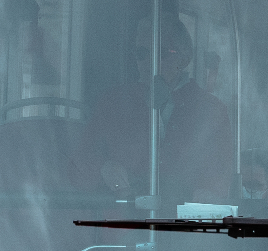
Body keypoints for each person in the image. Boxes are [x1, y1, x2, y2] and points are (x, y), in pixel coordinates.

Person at [90, 17, 236, 206]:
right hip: (118, 227)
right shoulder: (112, 104)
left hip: (184, 228)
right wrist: (103, 168)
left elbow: (218, 175)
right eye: (142, 53)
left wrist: (206, 193)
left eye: (161, 53)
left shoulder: (211, 111)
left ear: (184, 58)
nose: (149, 61)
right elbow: (79, 165)